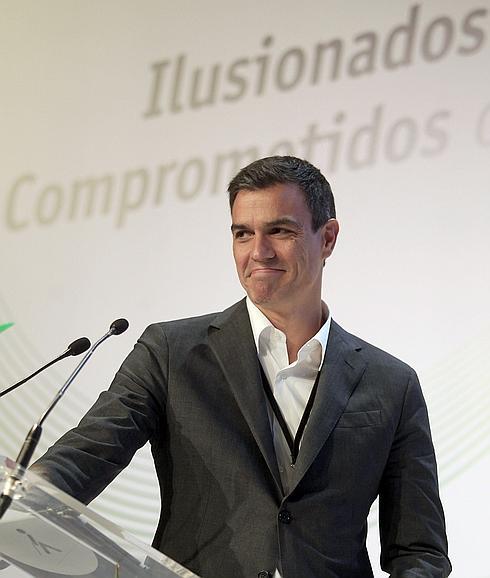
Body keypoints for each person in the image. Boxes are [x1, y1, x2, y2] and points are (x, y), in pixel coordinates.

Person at [32, 156, 451, 578]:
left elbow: (420, 551)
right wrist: (22, 499)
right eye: (243, 234)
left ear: (327, 238)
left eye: (280, 231)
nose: (258, 252)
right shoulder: (170, 352)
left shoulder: (391, 384)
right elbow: (86, 455)